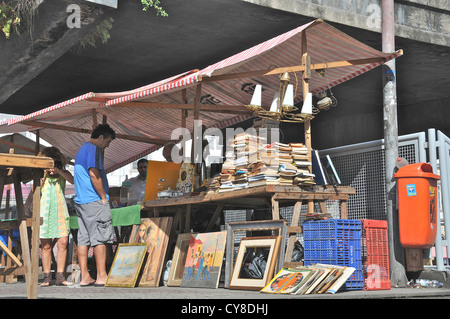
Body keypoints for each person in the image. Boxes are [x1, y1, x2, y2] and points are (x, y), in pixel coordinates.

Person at [73, 124, 116, 287]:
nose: (108, 145)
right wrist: (103, 196)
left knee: (83, 239)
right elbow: (93, 173)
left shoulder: (82, 148)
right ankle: (101, 275)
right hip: (94, 200)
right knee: (100, 238)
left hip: (81, 201)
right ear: (101, 138)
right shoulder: (93, 148)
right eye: (108, 142)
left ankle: (85, 276)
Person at [39, 147, 74, 287]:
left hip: (60, 211)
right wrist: (44, 174)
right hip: (44, 212)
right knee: (46, 246)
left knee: (63, 243)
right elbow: (36, 187)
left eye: (54, 164)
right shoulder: (41, 175)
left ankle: (60, 276)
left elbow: (72, 181)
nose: (52, 168)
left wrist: (59, 171)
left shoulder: (63, 173)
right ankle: (47, 277)